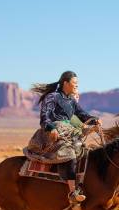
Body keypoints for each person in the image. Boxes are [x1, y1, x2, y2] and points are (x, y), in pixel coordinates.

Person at [29, 71, 102, 203]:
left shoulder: (72, 101)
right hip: (52, 133)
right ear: (65, 83)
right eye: (75, 83)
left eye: (77, 83)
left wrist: (94, 120)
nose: (77, 85)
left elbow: (82, 115)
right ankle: (72, 193)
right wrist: (51, 128)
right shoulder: (53, 97)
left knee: (85, 152)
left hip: (70, 132)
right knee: (69, 154)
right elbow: (44, 116)